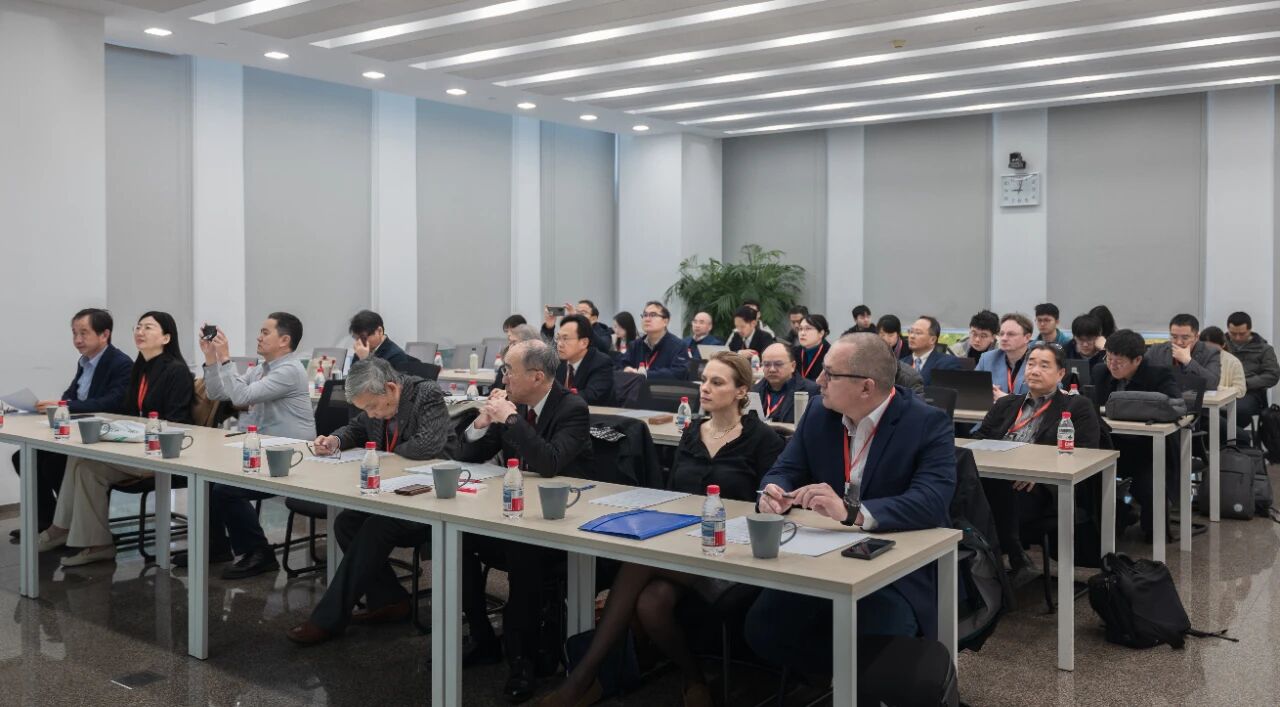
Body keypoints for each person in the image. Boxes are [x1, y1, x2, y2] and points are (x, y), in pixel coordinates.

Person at [541, 353, 785, 707]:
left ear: (741, 391)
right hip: (683, 547)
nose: (705, 388)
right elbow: (673, 496)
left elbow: (770, 507)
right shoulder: (692, 432)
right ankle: (695, 679)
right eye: (704, 380)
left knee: (638, 561)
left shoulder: (762, 439)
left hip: (734, 554)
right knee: (650, 603)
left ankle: (582, 681)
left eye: (717, 382)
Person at [748, 333, 955, 671]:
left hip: (893, 565)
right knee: (762, 627)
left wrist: (853, 513)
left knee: (879, 645)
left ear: (866, 387)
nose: (818, 380)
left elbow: (931, 500)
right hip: (821, 555)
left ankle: (856, 684)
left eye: (830, 374)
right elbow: (785, 469)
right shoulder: (819, 412)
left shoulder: (926, 423)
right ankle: (837, 682)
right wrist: (773, 492)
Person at [457, 340, 593, 702]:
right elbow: (466, 456)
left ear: (537, 377)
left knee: (522, 552)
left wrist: (511, 420)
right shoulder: (514, 406)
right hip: (515, 512)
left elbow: (549, 462)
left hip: (559, 520)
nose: (503, 379)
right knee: (455, 539)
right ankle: (483, 637)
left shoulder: (572, 409)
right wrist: (481, 423)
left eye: (509, 371)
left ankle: (523, 661)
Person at [287, 357, 456, 645]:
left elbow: (428, 445)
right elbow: (357, 428)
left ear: (391, 388)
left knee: (375, 527)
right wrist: (334, 441)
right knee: (347, 523)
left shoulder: (426, 394)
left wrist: (382, 455)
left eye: (373, 407)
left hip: (431, 496)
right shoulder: (376, 402)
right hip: (393, 491)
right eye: (366, 408)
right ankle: (390, 600)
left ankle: (327, 619)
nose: (372, 414)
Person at [39, 312, 194, 567]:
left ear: (166, 338)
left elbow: (177, 422)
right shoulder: (140, 368)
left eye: (148, 327)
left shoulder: (175, 371)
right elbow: (129, 412)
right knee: (83, 463)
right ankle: (94, 542)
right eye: (138, 327)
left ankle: (64, 530)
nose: (140, 332)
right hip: (136, 446)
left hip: (161, 454)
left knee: (83, 461)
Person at [182, 313, 315, 579]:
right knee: (208, 477)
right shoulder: (261, 369)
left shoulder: (290, 370)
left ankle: (259, 552)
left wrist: (226, 358)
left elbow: (241, 396)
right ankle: (217, 546)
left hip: (291, 457)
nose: (259, 337)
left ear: (284, 340)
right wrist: (211, 358)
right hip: (264, 451)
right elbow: (219, 394)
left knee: (227, 490)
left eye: (265, 332)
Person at [974, 343, 1102, 581]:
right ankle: (982, 561)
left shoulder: (1076, 406)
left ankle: (1004, 558)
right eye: (1031, 364)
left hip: (1041, 489)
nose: (1034, 370)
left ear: (1060, 373)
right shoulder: (1006, 404)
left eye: (1044, 366)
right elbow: (980, 439)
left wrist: (1040, 473)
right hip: (995, 478)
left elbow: (1085, 454)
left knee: (994, 492)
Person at [10, 308, 132, 539]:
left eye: (84, 333)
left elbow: (112, 402)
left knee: (52, 463)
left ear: (105, 334)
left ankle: (70, 524)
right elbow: (71, 395)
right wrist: (56, 405)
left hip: (102, 436)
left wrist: (66, 406)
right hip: (78, 432)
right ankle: (48, 520)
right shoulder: (84, 362)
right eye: (74, 333)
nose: (77, 339)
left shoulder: (120, 363)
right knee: (24, 458)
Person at [1091, 329, 1182, 541]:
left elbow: (1175, 405)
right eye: (1108, 358)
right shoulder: (1100, 372)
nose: (1112, 365)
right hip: (1112, 446)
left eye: (1119, 361)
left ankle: (1154, 530)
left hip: (1148, 449)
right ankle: (1120, 515)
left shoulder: (1158, 375)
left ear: (1138, 360)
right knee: (1087, 480)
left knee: (1150, 488)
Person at [1143, 314, 1221, 391]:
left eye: (1185, 338)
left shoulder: (1210, 353)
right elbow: (1140, 373)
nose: (1179, 342)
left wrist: (1188, 361)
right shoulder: (1156, 350)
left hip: (1193, 398)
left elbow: (1212, 384)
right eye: (1174, 337)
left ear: (1196, 337)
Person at [1226, 311, 1279, 421]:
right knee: (1204, 408)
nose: (1237, 338)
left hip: (1251, 393)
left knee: (1237, 410)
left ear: (1250, 330)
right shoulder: (1220, 345)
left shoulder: (1264, 349)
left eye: (1242, 334)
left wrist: (1245, 383)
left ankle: (1234, 432)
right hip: (1223, 389)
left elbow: (1272, 375)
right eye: (1233, 334)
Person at [616, 301, 690, 381]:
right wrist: (625, 370)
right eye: (645, 315)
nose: (647, 319)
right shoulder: (635, 345)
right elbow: (619, 366)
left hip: (662, 388)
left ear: (665, 321)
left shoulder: (678, 346)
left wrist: (645, 374)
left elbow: (678, 373)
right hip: (637, 388)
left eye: (653, 315)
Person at [554, 314, 615, 406]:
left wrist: (558, 398)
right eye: (558, 338)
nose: (559, 344)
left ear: (584, 343)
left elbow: (591, 396)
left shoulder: (601, 363)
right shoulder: (558, 361)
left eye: (565, 339)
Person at [755, 343, 820, 423]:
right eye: (766, 364)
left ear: (793, 366)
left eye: (778, 364)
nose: (772, 369)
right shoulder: (753, 391)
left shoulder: (812, 392)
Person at [977, 313, 1034, 399]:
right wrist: (986, 390)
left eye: (1011, 334)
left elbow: (1046, 397)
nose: (1004, 338)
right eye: (1001, 334)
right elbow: (972, 389)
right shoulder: (987, 359)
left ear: (1027, 338)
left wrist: (1007, 399)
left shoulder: (1039, 360)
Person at [904, 316, 963, 386]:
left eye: (918, 333)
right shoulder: (900, 364)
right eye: (910, 331)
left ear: (932, 340)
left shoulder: (947, 364)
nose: (911, 336)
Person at [540, 302, 611, 353]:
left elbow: (603, 349)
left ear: (593, 318)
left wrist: (580, 321)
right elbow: (551, 351)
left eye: (582, 313)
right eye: (576, 312)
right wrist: (549, 327)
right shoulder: (570, 331)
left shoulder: (603, 331)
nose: (577, 316)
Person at [1200, 326, 1247, 400]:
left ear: (1223, 345)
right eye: (1206, 348)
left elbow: (1240, 390)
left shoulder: (1233, 362)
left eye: (1213, 349)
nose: (1210, 352)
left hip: (1225, 403)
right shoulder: (1194, 358)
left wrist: (1216, 388)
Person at [792, 313, 832, 382]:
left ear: (821, 333)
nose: (802, 333)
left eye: (808, 329)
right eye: (800, 329)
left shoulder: (831, 354)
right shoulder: (793, 352)